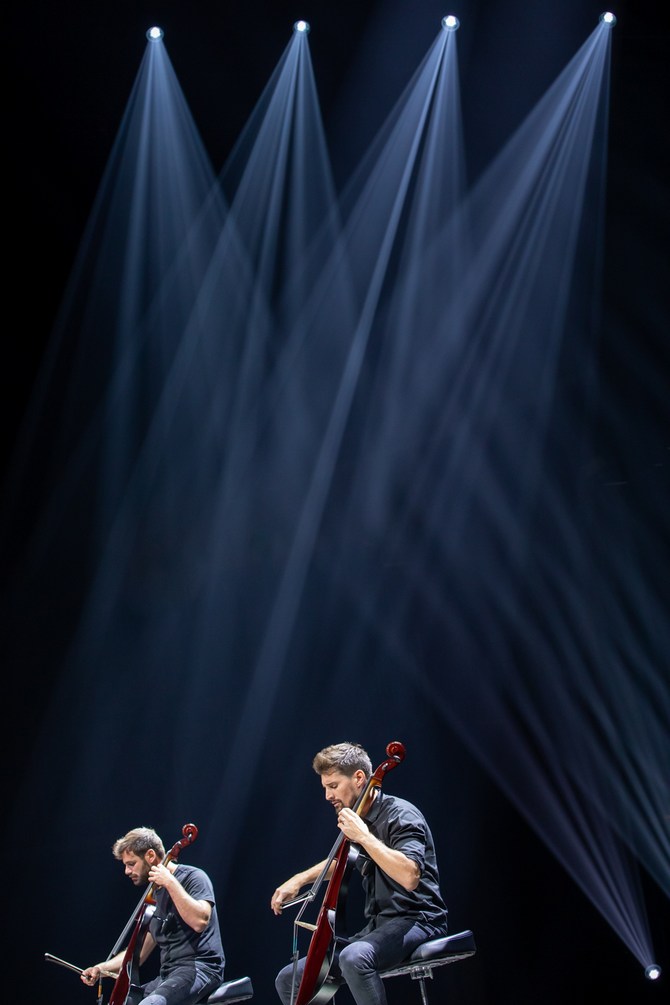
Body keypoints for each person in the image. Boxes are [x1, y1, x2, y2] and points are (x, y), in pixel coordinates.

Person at [271, 742, 448, 1005]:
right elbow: (342, 861)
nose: (327, 796)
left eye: (333, 786)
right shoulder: (360, 820)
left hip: (419, 920)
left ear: (359, 778)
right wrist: (300, 879)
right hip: (380, 925)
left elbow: (410, 876)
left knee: (354, 957)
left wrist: (364, 837)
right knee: (290, 977)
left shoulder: (400, 814)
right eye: (325, 788)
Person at [81, 826, 225, 1005]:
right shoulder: (156, 895)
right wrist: (101, 968)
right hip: (169, 974)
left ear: (150, 856)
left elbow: (200, 921)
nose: (126, 871)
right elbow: (138, 954)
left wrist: (170, 883)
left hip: (200, 969)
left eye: (131, 864)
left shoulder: (193, 877)